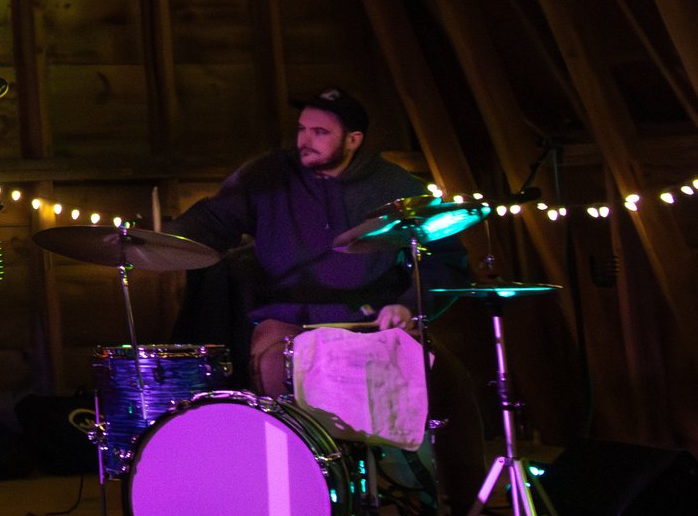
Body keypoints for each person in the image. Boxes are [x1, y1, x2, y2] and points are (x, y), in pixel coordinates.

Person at [167, 89, 481, 493]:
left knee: (448, 382)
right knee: (275, 370)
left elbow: (445, 262)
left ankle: (459, 511)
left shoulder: (397, 188)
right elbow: (212, 221)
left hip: (372, 322)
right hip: (289, 320)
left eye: (320, 132)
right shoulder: (267, 176)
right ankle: (304, 498)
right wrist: (153, 243)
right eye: (302, 130)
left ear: (354, 140)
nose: (305, 140)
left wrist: (406, 306)